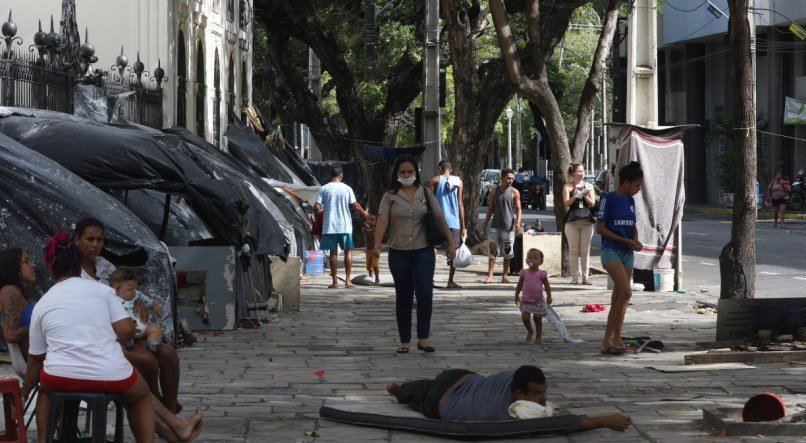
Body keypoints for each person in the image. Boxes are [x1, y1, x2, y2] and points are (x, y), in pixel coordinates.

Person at [22, 231, 203, 443]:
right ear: (78, 262)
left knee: (46, 391)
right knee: (141, 395)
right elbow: (126, 331)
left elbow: (35, 359)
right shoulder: (102, 291)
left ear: (51, 268)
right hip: (109, 375)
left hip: (60, 377)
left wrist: (25, 389)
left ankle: (43, 441)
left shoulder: (44, 302)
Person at [73, 217, 181, 413]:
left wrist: (137, 301)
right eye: (90, 239)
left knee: (169, 355)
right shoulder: (73, 273)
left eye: (100, 240)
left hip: (125, 328)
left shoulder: (104, 265)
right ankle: (157, 408)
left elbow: (125, 288)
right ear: (76, 240)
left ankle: (170, 410)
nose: (96, 245)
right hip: (103, 337)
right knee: (148, 361)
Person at [385, 365, 632, 431]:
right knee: (411, 394)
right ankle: (397, 389)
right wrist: (606, 420)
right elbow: (559, 424)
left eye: (543, 392)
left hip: (464, 376)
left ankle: (401, 388)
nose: (543, 399)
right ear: (518, 395)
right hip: (438, 398)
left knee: (423, 386)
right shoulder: (510, 413)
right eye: (536, 394)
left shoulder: (517, 378)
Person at [374, 154, 455, 354]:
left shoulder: (426, 193)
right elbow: (383, 220)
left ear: (416, 172)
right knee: (403, 296)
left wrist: (451, 242)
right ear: (397, 174)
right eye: (402, 172)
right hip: (398, 253)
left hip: (424, 252)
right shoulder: (389, 196)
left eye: (410, 171)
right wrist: (376, 243)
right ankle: (404, 341)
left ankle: (424, 339)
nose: (407, 175)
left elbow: (439, 217)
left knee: (425, 294)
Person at [597, 162, 644, 356]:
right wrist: (623, 240)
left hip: (627, 252)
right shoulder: (609, 199)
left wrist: (634, 240)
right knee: (626, 292)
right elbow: (600, 228)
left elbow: (633, 226)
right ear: (626, 183)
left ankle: (610, 339)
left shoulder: (631, 202)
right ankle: (613, 338)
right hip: (611, 251)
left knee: (619, 297)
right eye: (637, 186)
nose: (639, 189)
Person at [314, 165, 370, 289]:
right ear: (341, 175)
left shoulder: (324, 188)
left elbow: (316, 206)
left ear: (331, 175)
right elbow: (355, 205)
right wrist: (365, 213)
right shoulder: (347, 188)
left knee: (333, 253)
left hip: (329, 226)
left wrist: (319, 213)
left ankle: (334, 282)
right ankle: (348, 281)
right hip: (345, 226)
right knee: (347, 252)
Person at [429, 159, 466, 289]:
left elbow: (429, 201)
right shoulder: (458, 182)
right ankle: (450, 281)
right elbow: (460, 204)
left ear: (440, 168)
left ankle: (430, 279)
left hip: (438, 220)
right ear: (451, 169)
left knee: (433, 249)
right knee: (453, 249)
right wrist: (463, 226)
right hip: (454, 221)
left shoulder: (435, 181)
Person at [111, 267, 165, 355]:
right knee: (120, 329)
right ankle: (127, 341)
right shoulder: (112, 298)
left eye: (134, 288)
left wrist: (155, 307)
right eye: (130, 289)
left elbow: (149, 301)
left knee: (156, 329)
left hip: (142, 324)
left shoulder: (136, 294)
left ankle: (153, 343)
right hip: (127, 327)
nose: (133, 291)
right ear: (117, 290)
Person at [483, 168, 522, 283]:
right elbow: (490, 208)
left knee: (508, 252)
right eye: (508, 178)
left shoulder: (515, 192)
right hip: (495, 226)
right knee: (493, 249)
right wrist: (485, 221)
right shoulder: (494, 191)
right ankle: (490, 276)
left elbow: (519, 209)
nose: (510, 181)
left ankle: (504, 276)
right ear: (502, 178)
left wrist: (518, 222)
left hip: (508, 227)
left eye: (512, 179)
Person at [0, 248, 37, 359]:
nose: (33, 265)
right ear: (14, 266)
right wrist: (42, 326)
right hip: (36, 363)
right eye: (26, 261)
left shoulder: (20, 292)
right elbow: (10, 334)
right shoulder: (12, 291)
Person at [563, 163, 596, 285]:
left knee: (585, 251)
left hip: (586, 221)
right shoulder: (567, 186)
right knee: (573, 251)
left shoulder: (589, 186)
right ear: (573, 173)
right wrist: (576, 196)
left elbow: (592, 203)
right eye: (579, 171)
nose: (582, 174)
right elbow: (566, 203)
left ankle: (585, 277)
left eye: (583, 171)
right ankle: (575, 277)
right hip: (572, 221)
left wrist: (585, 196)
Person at [514, 249, 552, 350]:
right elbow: (519, 284)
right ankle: (530, 331)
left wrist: (549, 296)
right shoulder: (524, 272)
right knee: (525, 318)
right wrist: (516, 294)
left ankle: (538, 336)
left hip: (538, 301)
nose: (532, 260)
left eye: (535, 258)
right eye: (530, 257)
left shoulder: (541, 274)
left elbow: (547, 286)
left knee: (537, 319)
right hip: (526, 300)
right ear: (526, 259)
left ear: (541, 261)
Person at [363, 214, 381, 285]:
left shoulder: (376, 229)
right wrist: (366, 230)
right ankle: (371, 277)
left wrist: (369, 230)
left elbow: (373, 235)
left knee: (375, 265)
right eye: (368, 219)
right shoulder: (365, 229)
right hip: (368, 250)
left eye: (372, 220)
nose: (370, 221)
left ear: (376, 222)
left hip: (376, 250)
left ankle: (377, 279)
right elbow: (365, 238)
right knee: (369, 266)